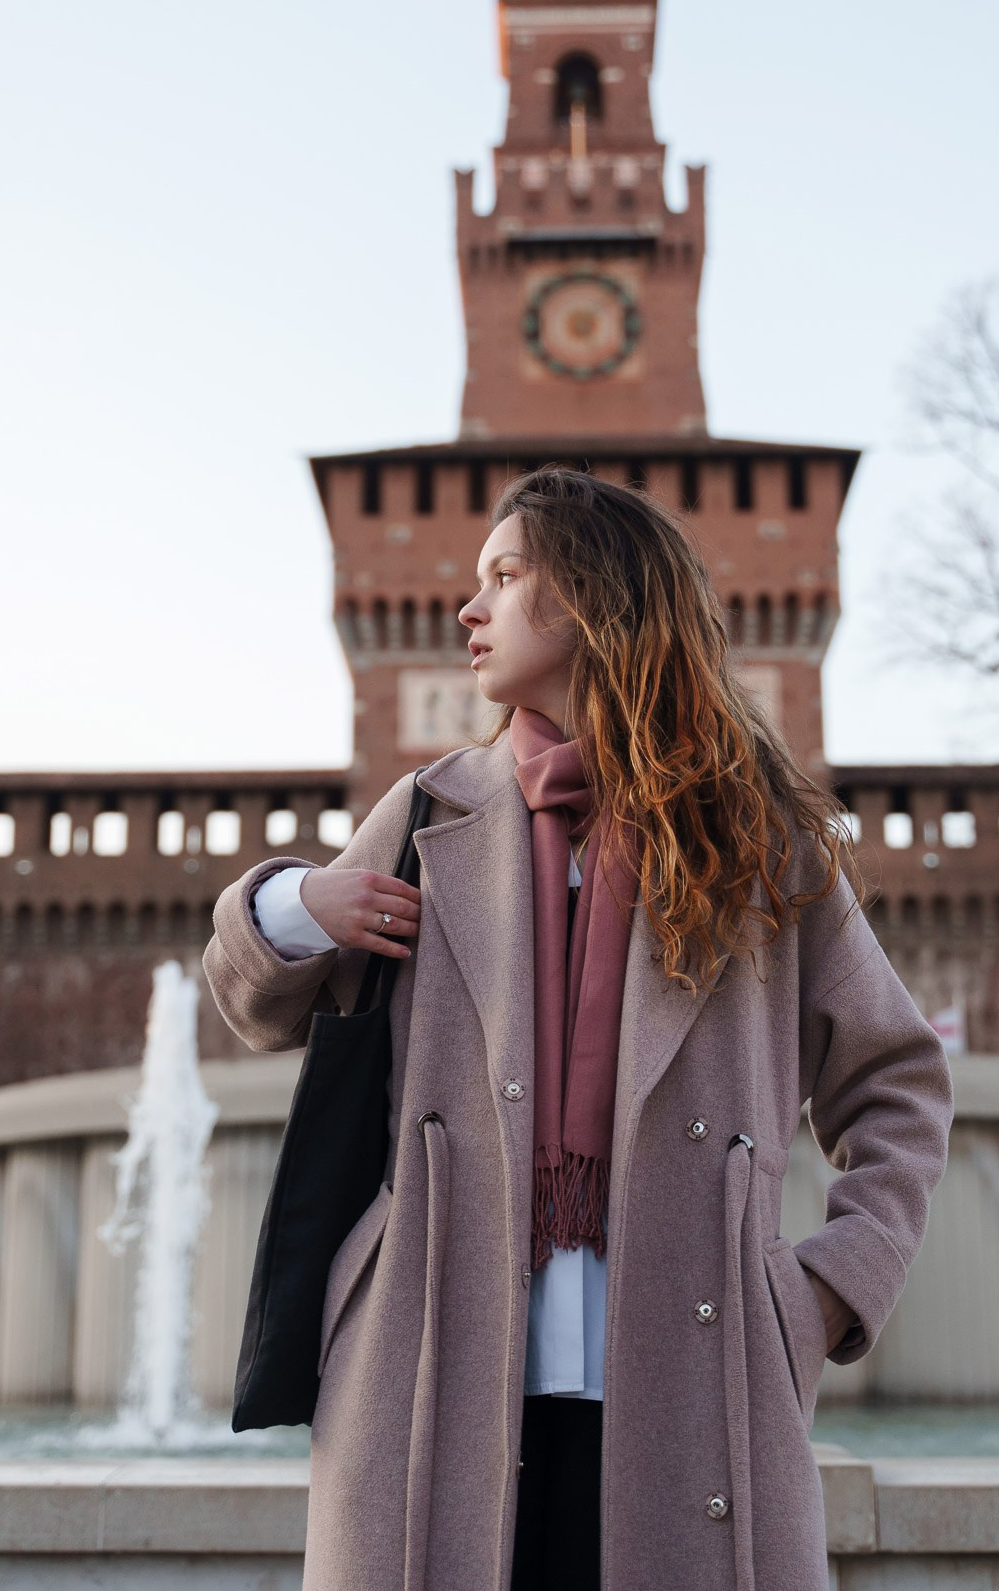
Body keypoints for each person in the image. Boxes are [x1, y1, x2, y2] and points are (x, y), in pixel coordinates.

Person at [203, 466, 954, 1591]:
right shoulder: (427, 813)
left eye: (503, 577)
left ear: (596, 600)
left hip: (696, 1376)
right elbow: (252, 1004)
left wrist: (828, 1288)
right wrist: (289, 906)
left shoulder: (755, 841)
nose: (469, 609)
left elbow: (895, 1082)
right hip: (431, 1371)